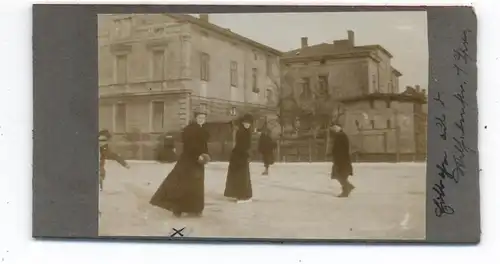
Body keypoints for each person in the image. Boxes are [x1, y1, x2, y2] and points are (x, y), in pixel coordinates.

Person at [149, 111, 210, 217]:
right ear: (195, 118)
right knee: (182, 184)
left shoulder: (203, 130)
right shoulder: (189, 130)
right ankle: (178, 208)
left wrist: (206, 155)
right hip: (189, 160)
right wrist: (197, 156)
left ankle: (194, 209)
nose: (202, 119)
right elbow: (190, 145)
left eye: (203, 118)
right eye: (200, 117)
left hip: (198, 162)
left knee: (196, 185)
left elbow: (203, 145)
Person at [224, 114, 254, 203]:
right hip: (239, 156)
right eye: (246, 122)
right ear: (243, 122)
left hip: (240, 156)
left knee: (241, 176)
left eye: (249, 123)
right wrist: (246, 154)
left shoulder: (245, 131)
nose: (247, 124)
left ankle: (241, 194)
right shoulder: (242, 132)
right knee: (241, 176)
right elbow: (241, 146)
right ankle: (242, 195)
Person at [329, 123, 355, 198]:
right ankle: (347, 188)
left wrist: (340, 158)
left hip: (342, 159)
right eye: (333, 127)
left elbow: (344, 148)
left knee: (340, 175)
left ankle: (346, 190)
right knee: (338, 175)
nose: (335, 128)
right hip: (339, 159)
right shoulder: (338, 135)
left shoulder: (342, 135)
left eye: (336, 127)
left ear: (340, 127)